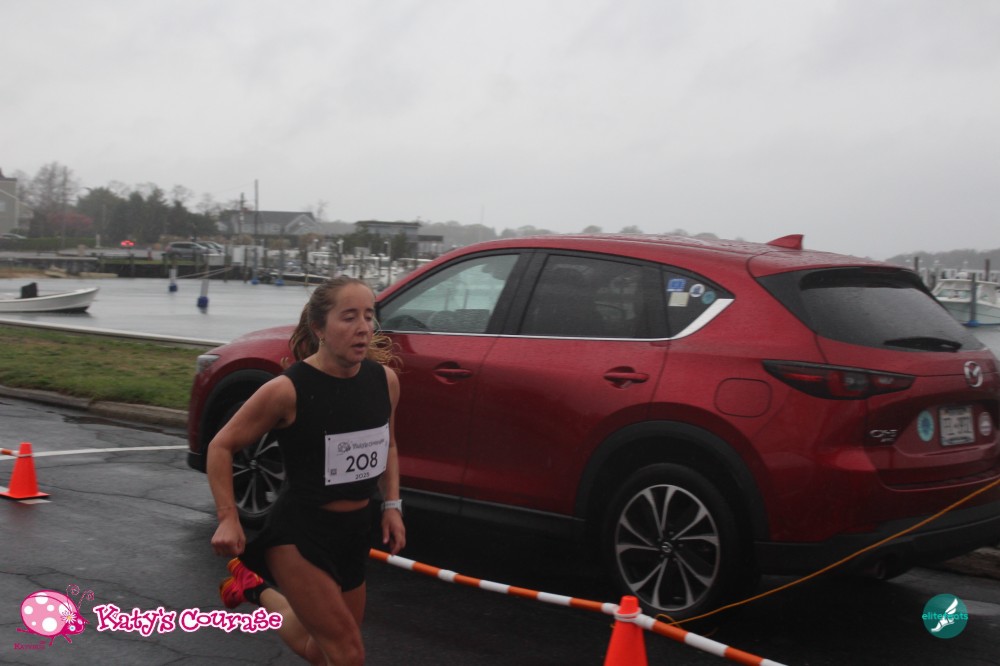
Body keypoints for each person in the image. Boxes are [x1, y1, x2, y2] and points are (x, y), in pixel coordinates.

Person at [208, 276, 406, 665]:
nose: (363, 327)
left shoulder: (385, 382)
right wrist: (228, 518)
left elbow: (390, 446)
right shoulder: (288, 390)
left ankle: (253, 589)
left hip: (354, 532)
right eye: (349, 317)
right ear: (319, 328)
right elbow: (221, 446)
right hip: (299, 536)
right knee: (348, 654)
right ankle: (256, 583)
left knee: (321, 649)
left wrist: (392, 505)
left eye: (369, 316)